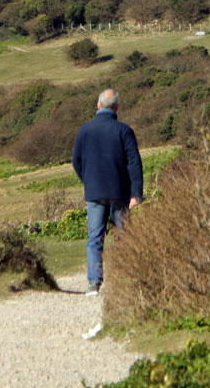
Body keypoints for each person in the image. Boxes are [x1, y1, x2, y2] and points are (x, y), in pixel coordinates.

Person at [72, 88, 143, 295]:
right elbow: (134, 163)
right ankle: (125, 281)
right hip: (120, 192)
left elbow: (76, 161)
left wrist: (88, 181)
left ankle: (94, 283)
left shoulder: (85, 130)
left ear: (98, 105)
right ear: (117, 107)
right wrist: (136, 193)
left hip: (94, 192)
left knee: (95, 238)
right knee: (124, 236)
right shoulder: (124, 130)